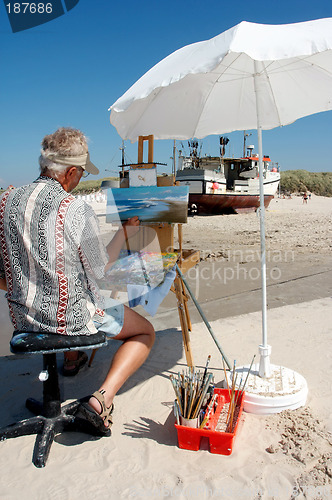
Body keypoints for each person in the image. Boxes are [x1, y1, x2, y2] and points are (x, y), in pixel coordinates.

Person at [0, 127, 155, 434]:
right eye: (82, 173)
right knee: (145, 332)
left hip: (24, 322)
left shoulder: (5, 202)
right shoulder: (75, 209)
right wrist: (125, 234)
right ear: (70, 172)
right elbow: (100, 271)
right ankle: (102, 400)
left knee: (68, 293)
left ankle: (71, 360)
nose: (81, 178)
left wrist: (27, 286)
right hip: (67, 322)